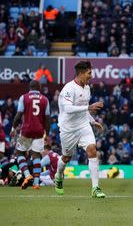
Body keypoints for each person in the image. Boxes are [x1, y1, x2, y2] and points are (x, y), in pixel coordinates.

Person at [55, 61, 106, 198]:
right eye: (89, 73)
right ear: (81, 73)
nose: (91, 76)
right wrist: (88, 108)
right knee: (66, 157)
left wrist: (92, 121)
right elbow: (68, 109)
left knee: (92, 149)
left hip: (83, 126)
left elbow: (83, 109)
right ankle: (59, 176)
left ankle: (95, 188)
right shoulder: (68, 89)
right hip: (68, 129)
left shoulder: (87, 88)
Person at [10, 80, 50, 190]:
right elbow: (47, 119)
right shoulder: (45, 99)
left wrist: (13, 128)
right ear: (39, 87)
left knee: (19, 153)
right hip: (39, 131)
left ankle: (27, 176)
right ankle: (36, 183)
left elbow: (18, 115)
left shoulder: (24, 97)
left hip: (26, 131)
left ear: (30, 87)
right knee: (36, 155)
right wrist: (47, 133)